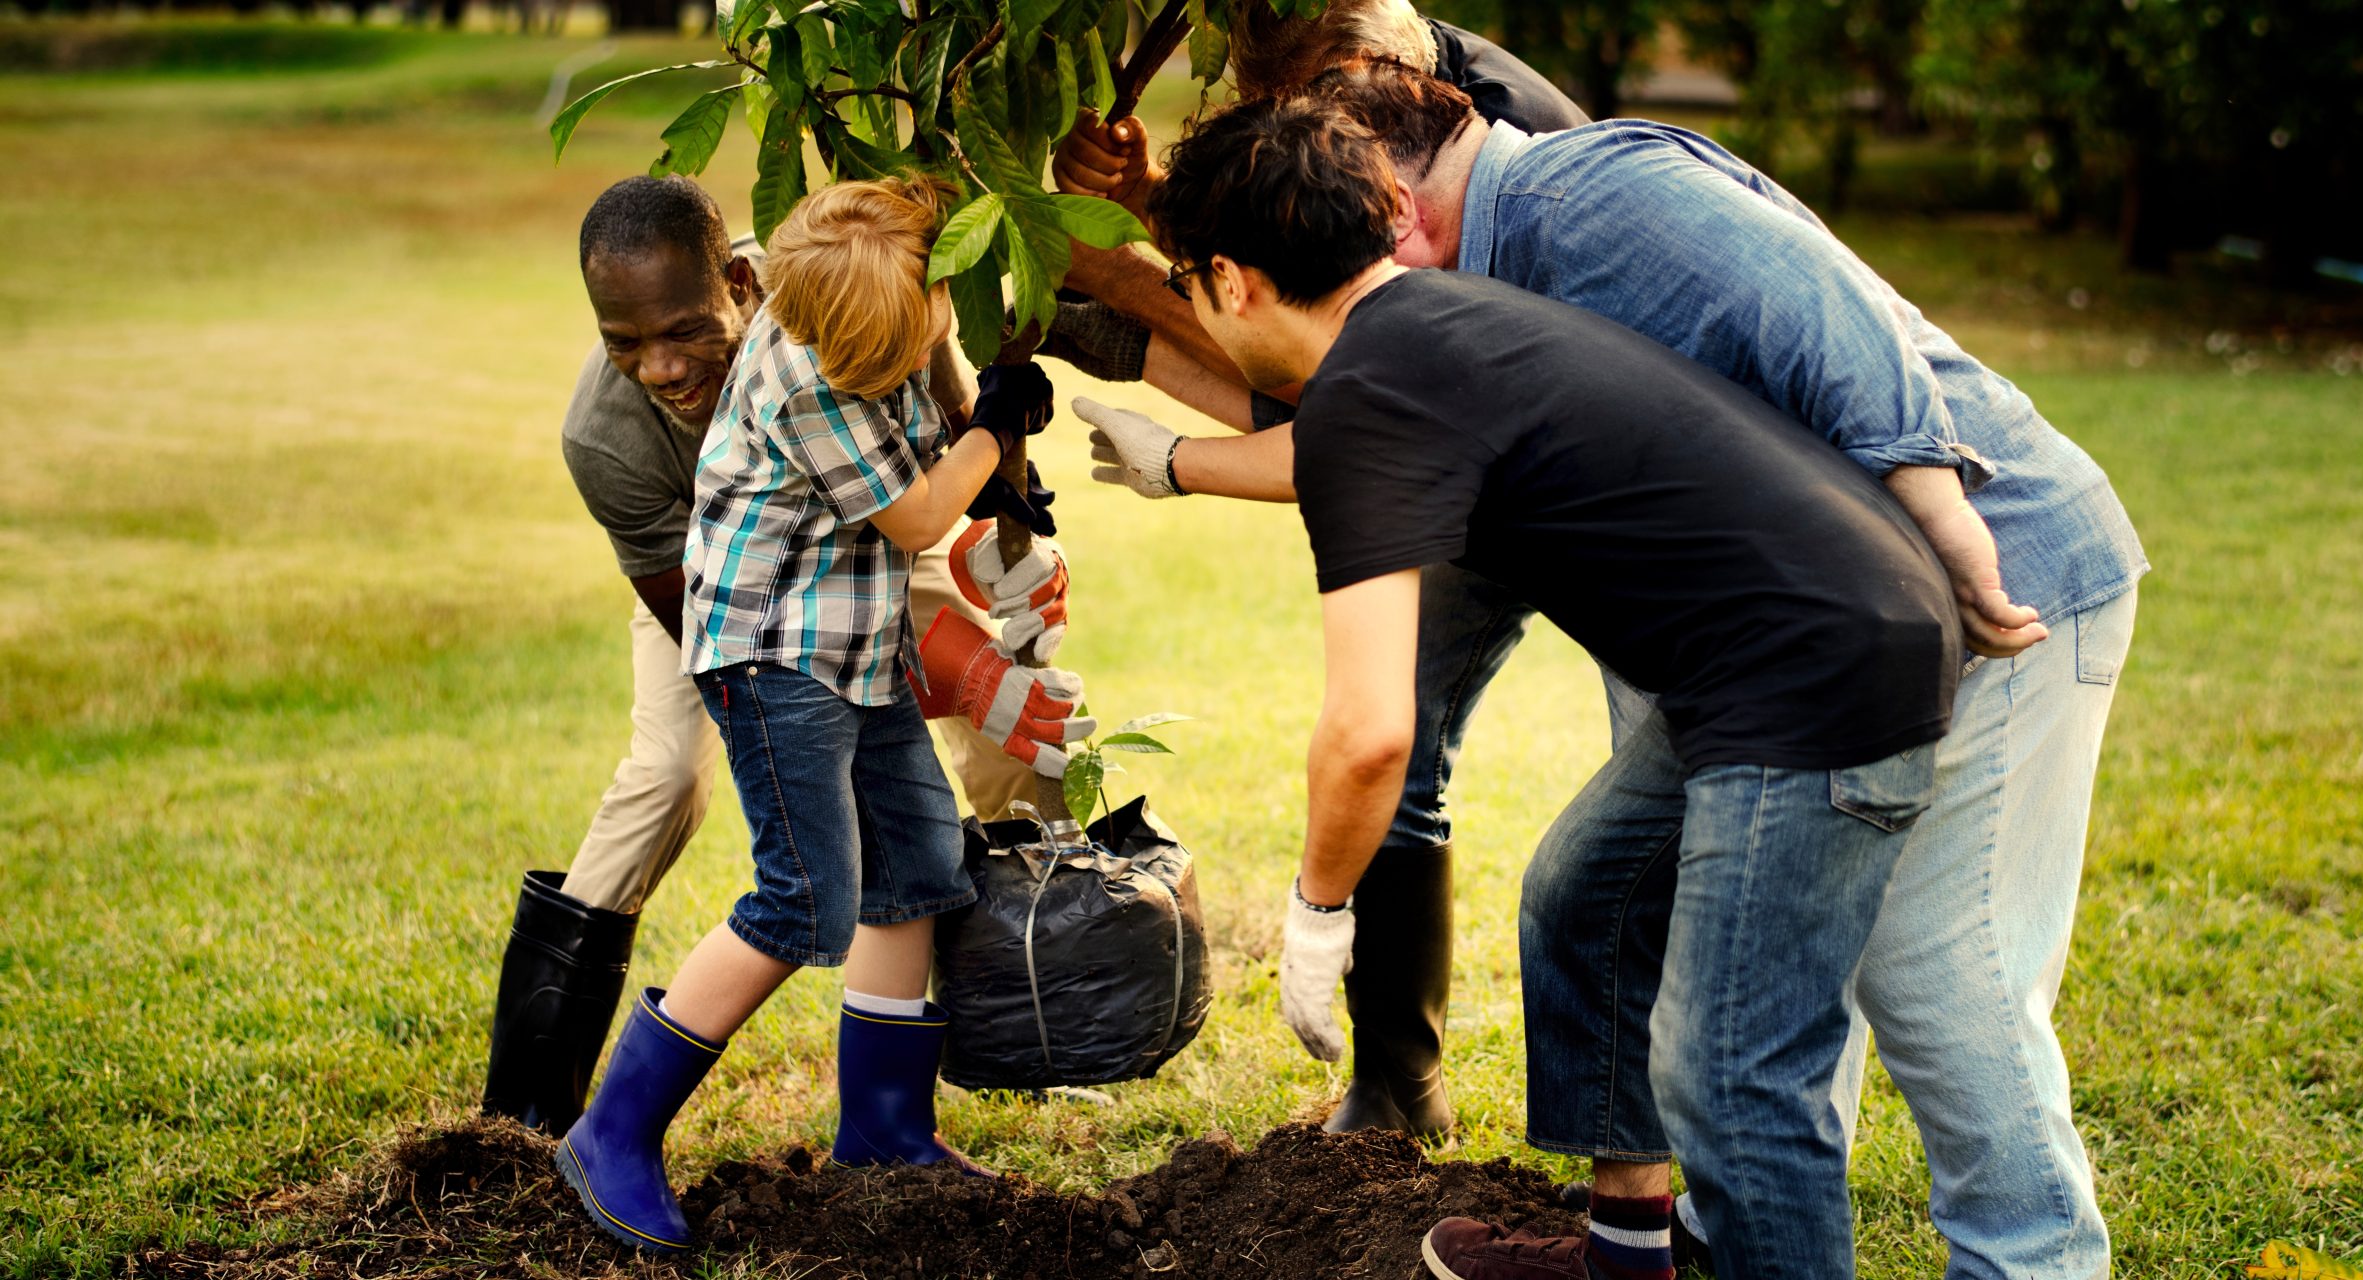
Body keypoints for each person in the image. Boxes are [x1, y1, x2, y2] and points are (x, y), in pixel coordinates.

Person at [1088, 66, 2150, 1279]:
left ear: (1230, 281)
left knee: (1737, 1072)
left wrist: (1318, 909)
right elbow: (1339, 449)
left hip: (1814, 676)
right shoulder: (1436, 321)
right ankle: (1627, 1251)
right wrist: (1173, 460)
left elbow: (1371, 731)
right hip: (1803, 638)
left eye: (1189, 284)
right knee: (1584, 899)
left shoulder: (1530, 249)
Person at [1059, 0, 1590, 1142]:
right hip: (1511, 448)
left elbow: (1352, 391)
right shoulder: (1381, 101)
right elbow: (1321, 336)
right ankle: (1398, 1087)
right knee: (1424, 739)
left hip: (1591, 488)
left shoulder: (1493, 150)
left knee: (1453, 761)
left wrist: (1112, 287)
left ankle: (1432, 1099)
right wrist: (1151, 208)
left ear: (1361, 77)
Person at [552, 174, 1091, 1254]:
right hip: (771, 658)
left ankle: (884, 1129)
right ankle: (609, 1132)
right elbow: (915, 513)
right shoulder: (811, 375)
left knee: (919, 866)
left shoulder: (841, 303)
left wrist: (982, 424)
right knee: (805, 900)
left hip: (852, 644)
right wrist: (988, 431)